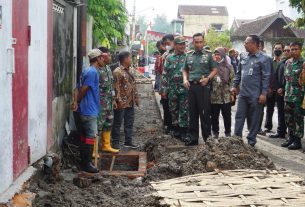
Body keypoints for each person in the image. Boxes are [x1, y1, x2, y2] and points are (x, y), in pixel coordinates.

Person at [232, 35, 271, 147]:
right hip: (243, 94)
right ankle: (237, 140)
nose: (244, 44)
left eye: (246, 42)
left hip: (256, 95)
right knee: (239, 116)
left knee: (254, 119)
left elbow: (266, 77)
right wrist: (234, 85)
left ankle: (251, 142)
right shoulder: (243, 56)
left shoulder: (265, 59)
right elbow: (239, 73)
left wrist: (263, 94)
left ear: (254, 44)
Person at [182, 33, 217, 146]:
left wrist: (208, 79)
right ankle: (193, 138)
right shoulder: (189, 55)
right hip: (191, 87)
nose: (198, 44)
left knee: (204, 113)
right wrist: (185, 79)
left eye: (200, 42)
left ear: (203, 42)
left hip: (203, 87)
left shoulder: (208, 55)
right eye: (196, 42)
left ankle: (207, 139)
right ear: (193, 43)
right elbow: (185, 70)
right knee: (192, 113)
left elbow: (215, 70)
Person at [76, 49, 102, 173]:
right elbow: (83, 89)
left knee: (84, 137)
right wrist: (77, 102)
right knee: (90, 137)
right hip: (89, 109)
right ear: (97, 59)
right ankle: (87, 164)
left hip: (86, 108)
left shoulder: (87, 70)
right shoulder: (92, 72)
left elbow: (79, 87)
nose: (103, 60)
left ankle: (84, 162)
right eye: (101, 58)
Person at [162, 36, 189, 140]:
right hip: (172, 89)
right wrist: (164, 90)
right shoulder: (169, 58)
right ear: (175, 45)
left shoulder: (188, 57)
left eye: (183, 44)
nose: (182, 46)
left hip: (185, 89)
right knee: (173, 109)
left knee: (184, 110)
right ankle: (175, 129)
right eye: (180, 44)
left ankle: (183, 131)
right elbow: (165, 74)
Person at [111, 51, 140, 149]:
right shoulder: (117, 72)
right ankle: (115, 142)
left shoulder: (130, 70)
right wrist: (117, 101)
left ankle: (128, 141)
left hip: (130, 101)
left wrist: (136, 97)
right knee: (117, 123)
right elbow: (116, 88)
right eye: (130, 58)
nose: (132, 60)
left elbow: (133, 85)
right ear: (125, 59)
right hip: (121, 102)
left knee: (129, 122)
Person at [93, 47, 119, 154]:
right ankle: (94, 150)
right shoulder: (96, 70)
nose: (110, 57)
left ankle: (106, 145)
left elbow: (110, 86)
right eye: (109, 55)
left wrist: (113, 99)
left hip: (108, 102)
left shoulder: (108, 68)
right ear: (102, 56)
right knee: (98, 125)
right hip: (99, 103)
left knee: (108, 122)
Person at [281, 42, 304, 150]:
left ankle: (297, 141)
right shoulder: (287, 62)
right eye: (292, 49)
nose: (293, 51)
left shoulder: (303, 63)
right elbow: (286, 80)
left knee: (298, 118)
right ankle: (290, 138)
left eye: (296, 49)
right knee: (288, 118)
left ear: (300, 50)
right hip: (288, 95)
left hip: (299, 96)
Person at [211, 47, 235, 138]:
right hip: (214, 96)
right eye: (215, 54)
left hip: (226, 96)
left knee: (227, 115)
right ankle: (215, 133)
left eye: (219, 54)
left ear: (223, 55)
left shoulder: (229, 67)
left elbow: (232, 81)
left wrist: (232, 94)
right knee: (214, 116)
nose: (217, 56)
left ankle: (228, 133)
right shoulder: (211, 67)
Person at [269, 44, 291, 138]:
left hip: (292, 92)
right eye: (285, 50)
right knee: (281, 113)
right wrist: (278, 88)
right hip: (280, 92)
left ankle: (292, 136)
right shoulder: (282, 63)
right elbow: (275, 77)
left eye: (288, 50)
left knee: (291, 115)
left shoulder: (297, 62)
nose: (286, 52)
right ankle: (281, 132)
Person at [264, 42, 285, 133]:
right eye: (275, 48)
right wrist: (268, 87)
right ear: (273, 50)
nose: (277, 50)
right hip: (270, 89)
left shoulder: (284, 62)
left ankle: (282, 129)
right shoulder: (269, 62)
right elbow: (266, 75)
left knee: (281, 110)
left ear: (282, 50)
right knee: (269, 109)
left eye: (279, 48)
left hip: (280, 90)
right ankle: (268, 126)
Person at [160, 34, 175, 134]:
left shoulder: (183, 53)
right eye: (165, 44)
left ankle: (176, 127)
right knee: (167, 107)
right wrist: (163, 89)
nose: (167, 46)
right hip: (167, 85)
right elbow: (163, 73)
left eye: (168, 43)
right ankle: (168, 127)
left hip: (178, 86)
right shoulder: (165, 55)